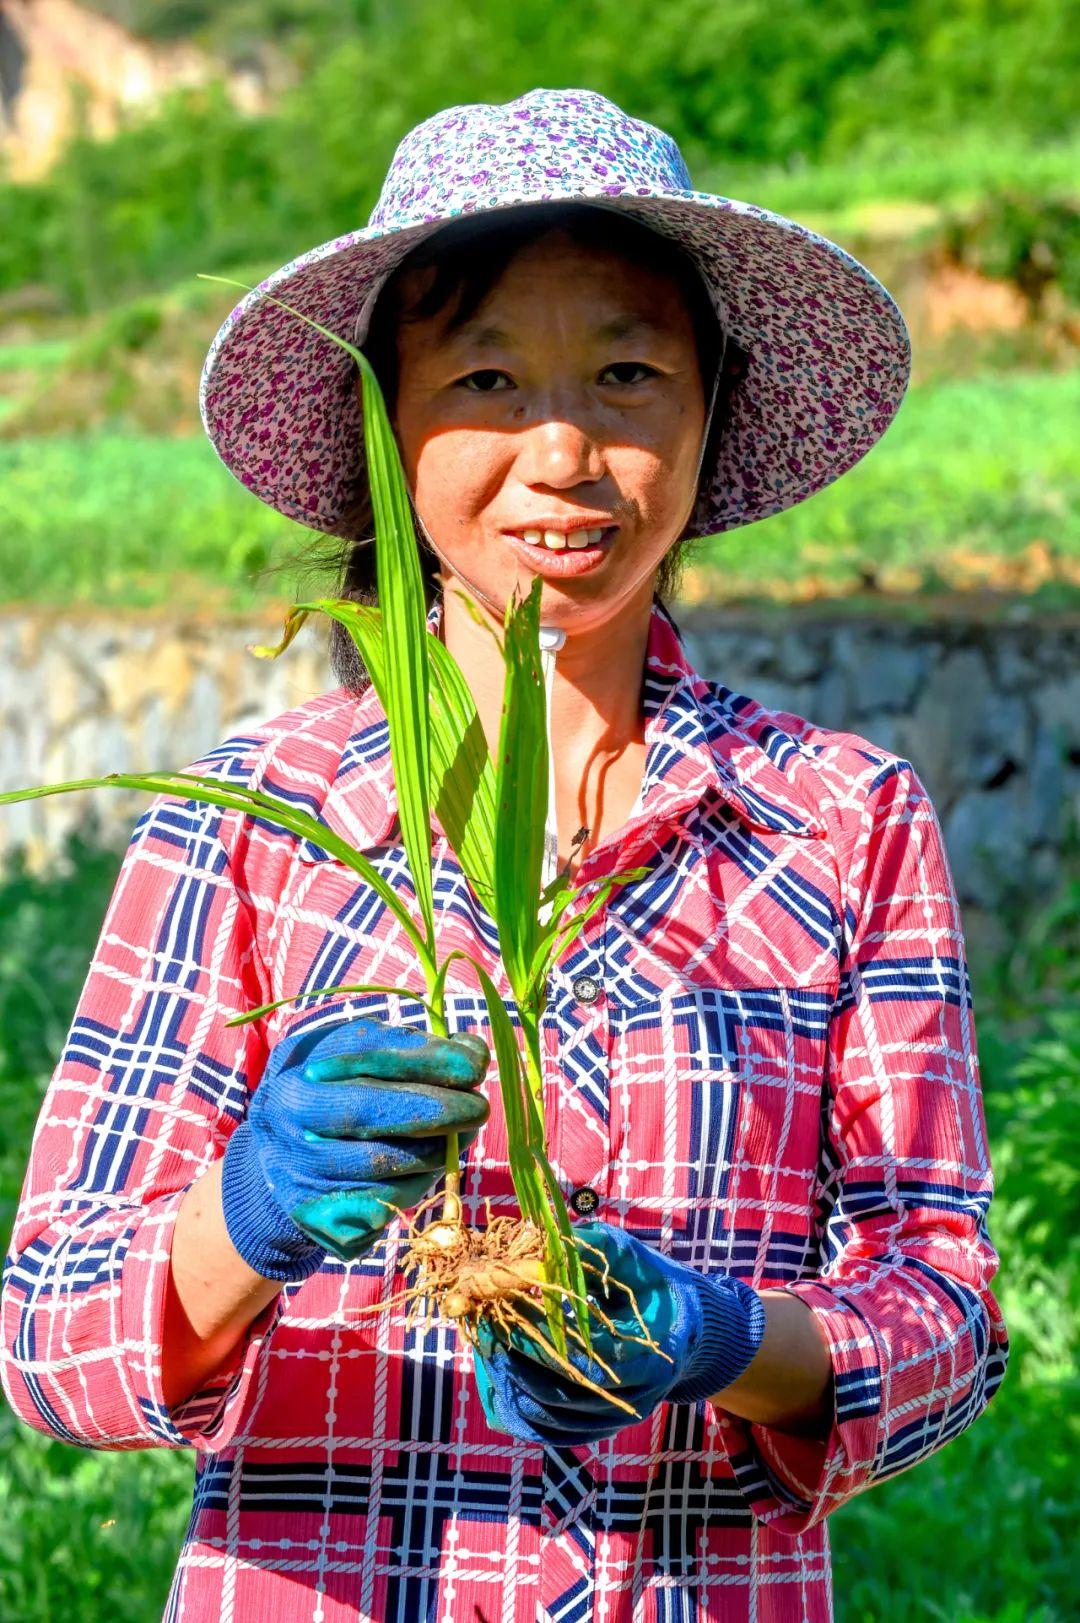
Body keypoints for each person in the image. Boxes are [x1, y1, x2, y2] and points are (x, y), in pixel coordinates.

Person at [1, 88, 1007, 1622]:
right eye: (486, 377)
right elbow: (47, 1344)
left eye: (627, 374)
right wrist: (246, 1220)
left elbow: (943, 1306)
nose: (564, 450)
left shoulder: (840, 815)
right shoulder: (254, 819)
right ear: (388, 426)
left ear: (709, 413)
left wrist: (732, 1344)